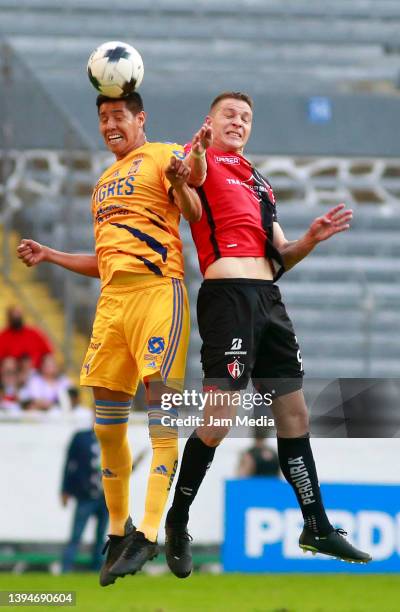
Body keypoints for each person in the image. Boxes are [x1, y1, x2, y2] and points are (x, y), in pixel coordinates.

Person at [164, 91, 371, 578]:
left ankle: (315, 524)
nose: (238, 122)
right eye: (229, 115)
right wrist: (192, 157)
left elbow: (280, 257)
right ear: (209, 123)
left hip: (267, 300)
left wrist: (311, 240)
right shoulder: (201, 160)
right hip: (229, 297)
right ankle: (177, 521)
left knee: (295, 412)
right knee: (220, 419)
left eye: (246, 117)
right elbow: (191, 197)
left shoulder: (258, 180)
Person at [17, 92, 202, 586]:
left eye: (119, 115)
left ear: (140, 118)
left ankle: (149, 530)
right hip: (113, 303)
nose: (110, 124)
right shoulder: (102, 185)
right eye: (103, 118)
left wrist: (185, 181)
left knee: (162, 421)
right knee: (106, 426)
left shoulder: (164, 155)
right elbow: (104, 261)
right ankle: (119, 532)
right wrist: (51, 255)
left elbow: (196, 206)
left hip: (159, 293)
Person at [61, 426, 108, 572]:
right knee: (76, 535)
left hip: (105, 497)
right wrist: (65, 490)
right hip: (85, 495)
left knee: (101, 537)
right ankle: (66, 568)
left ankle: (97, 569)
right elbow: (69, 464)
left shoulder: (114, 438)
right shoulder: (81, 438)